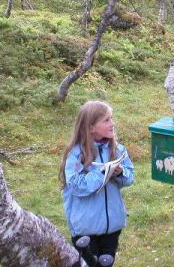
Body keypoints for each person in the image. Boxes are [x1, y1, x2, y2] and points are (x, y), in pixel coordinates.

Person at [59, 101, 134, 266]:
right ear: (91, 127)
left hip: (112, 227)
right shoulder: (76, 154)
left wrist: (120, 173)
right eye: (106, 120)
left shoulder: (118, 149)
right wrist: (102, 173)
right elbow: (76, 186)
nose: (112, 123)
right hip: (86, 230)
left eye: (111, 118)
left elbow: (130, 177)